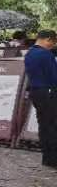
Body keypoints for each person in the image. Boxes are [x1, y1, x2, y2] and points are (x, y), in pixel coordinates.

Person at [24, 30, 57, 167]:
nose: (53, 45)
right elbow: (54, 76)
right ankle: (54, 158)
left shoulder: (29, 53)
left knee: (43, 124)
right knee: (53, 125)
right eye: (53, 42)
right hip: (48, 92)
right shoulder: (46, 55)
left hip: (35, 91)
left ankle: (47, 157)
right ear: (47, 39)